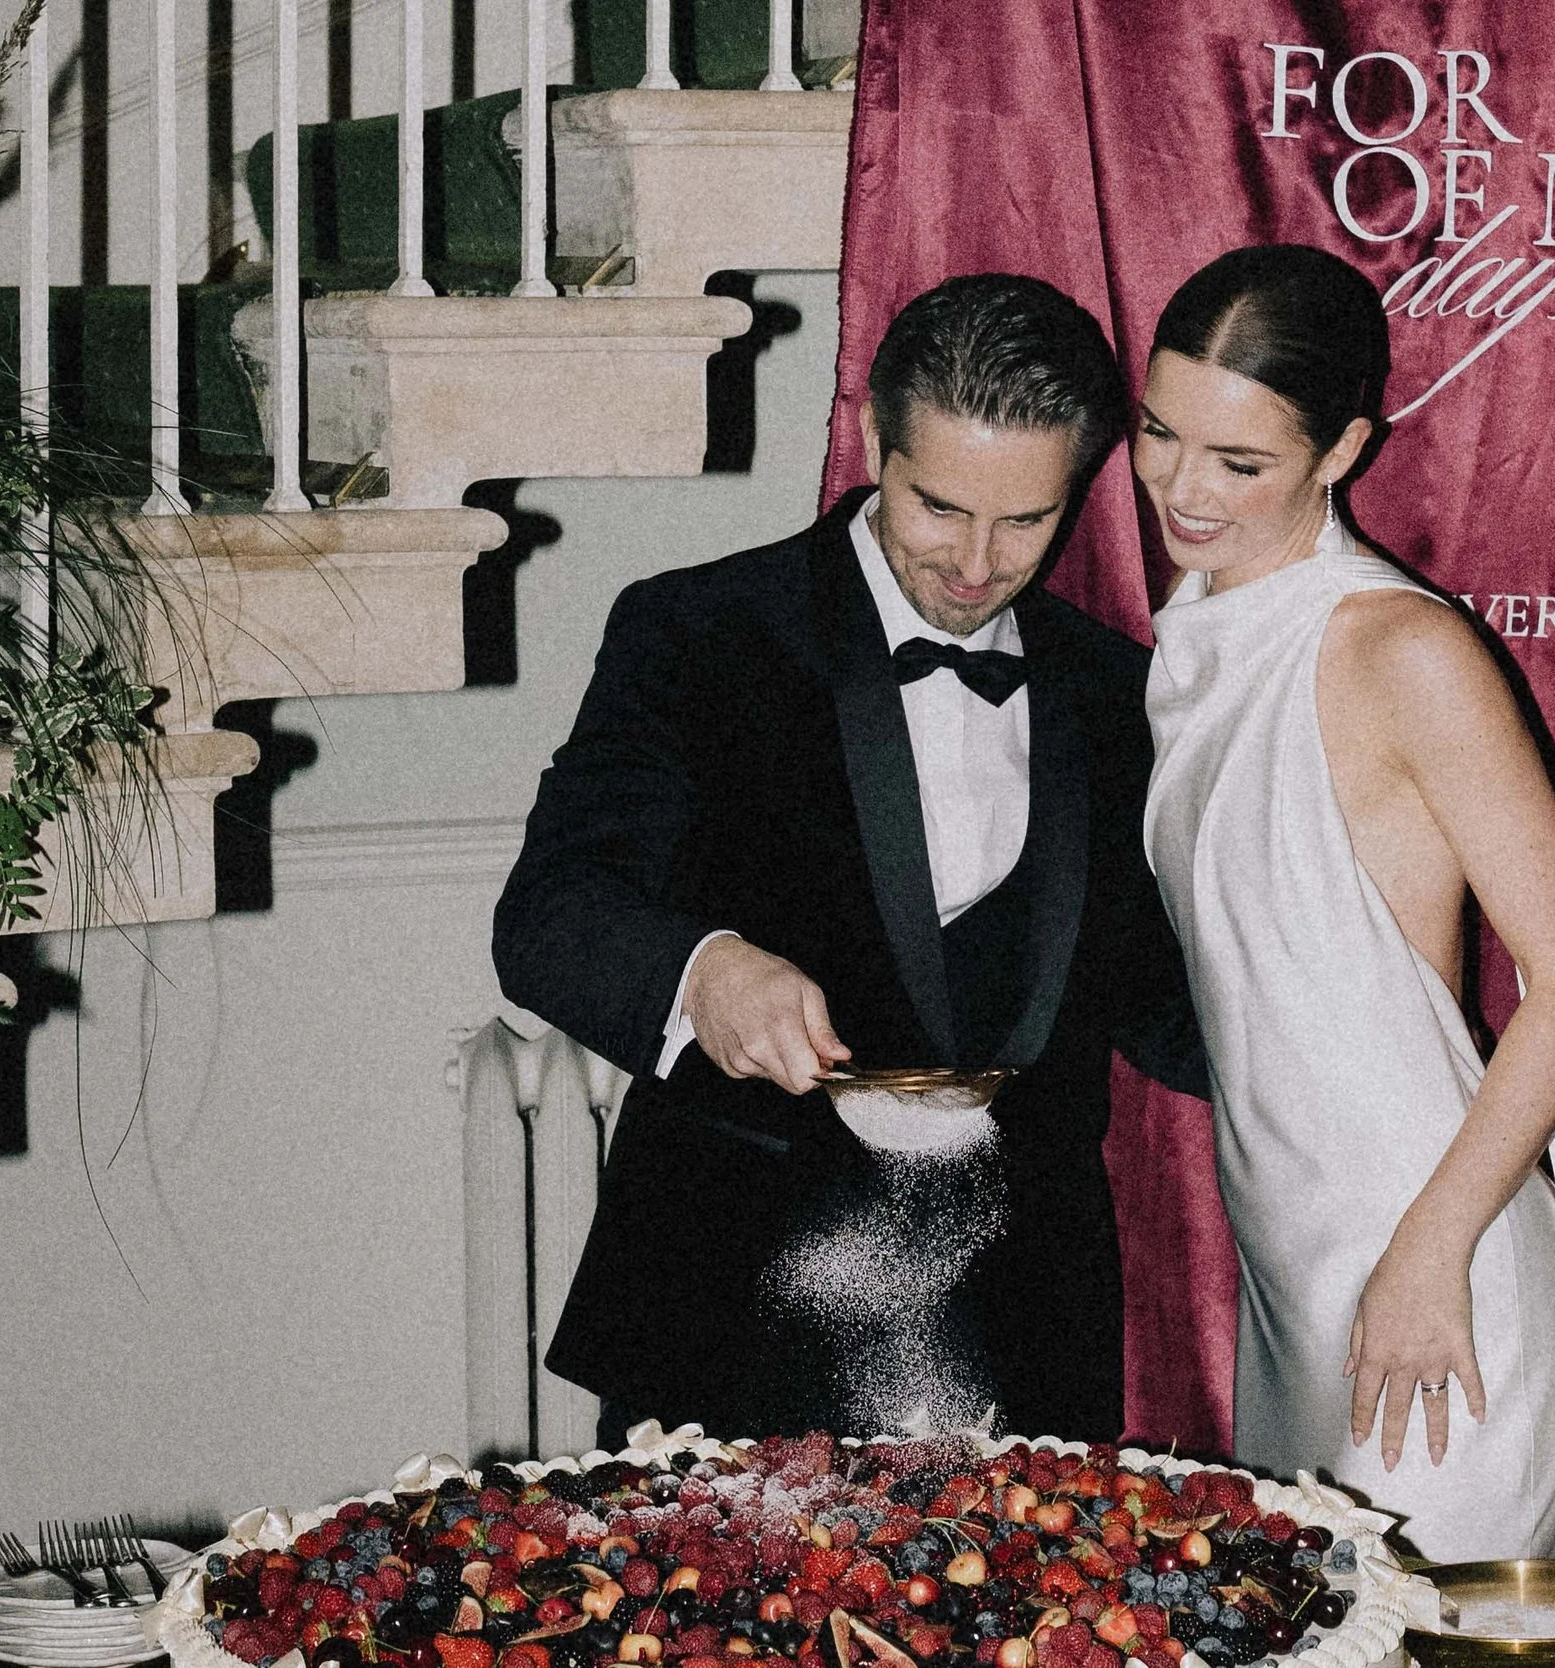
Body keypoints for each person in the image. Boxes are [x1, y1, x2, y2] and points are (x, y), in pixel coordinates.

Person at [495, 273, 1200, 1447]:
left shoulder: (1120, 692)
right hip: (735, 1318)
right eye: (938, 507)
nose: (975, 564)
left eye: (1026, 520)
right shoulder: (699, 631)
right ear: (872, 438)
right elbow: (551, 915)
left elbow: (1162, 1002)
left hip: (1023, 1338)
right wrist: (704, 971)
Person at [1136, 245, 1555, 1559]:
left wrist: (1430, 1254)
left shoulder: (1401, 648)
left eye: (1239, 464)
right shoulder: (1193, 639)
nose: (1183, 489)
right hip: (1297, 1284)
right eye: (1160, 432)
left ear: (1343, 449)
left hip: (1442, 1294)